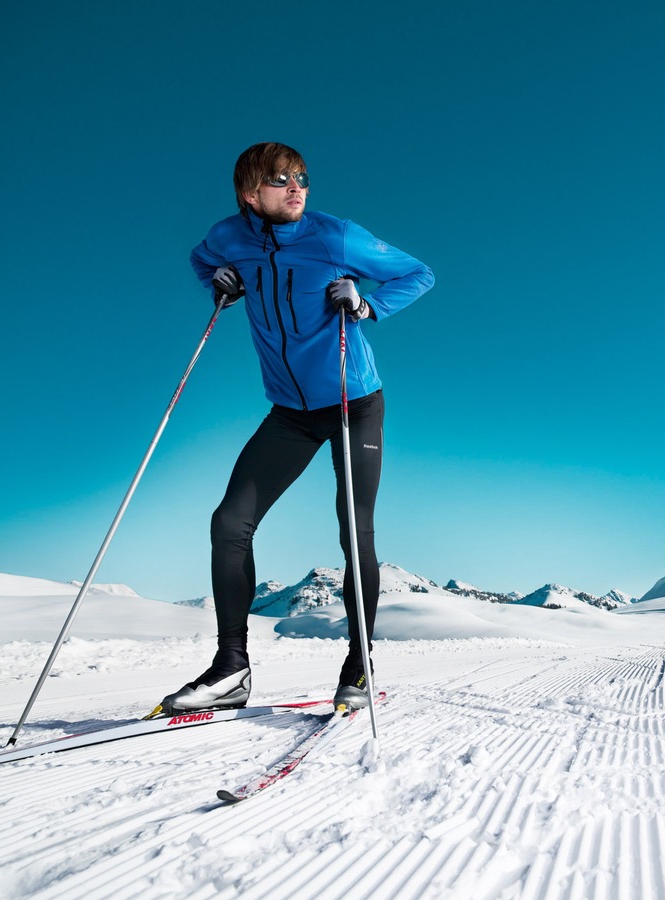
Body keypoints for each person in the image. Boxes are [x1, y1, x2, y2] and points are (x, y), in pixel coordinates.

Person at [157, 142, 433, 714]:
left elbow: (417, 273)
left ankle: (358, 663)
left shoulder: (334, 236)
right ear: (249, 193)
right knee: (229, 522)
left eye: (303, 177)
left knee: (353, 529)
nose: (297, 187)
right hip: (289, 413)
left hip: (354, 401)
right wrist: (222, 279)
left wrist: (366, 305)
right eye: (282, 180)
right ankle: (231, 668)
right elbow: (201, 259)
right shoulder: (229, 235)